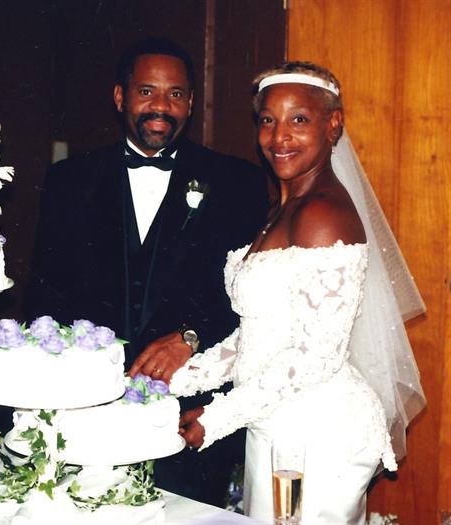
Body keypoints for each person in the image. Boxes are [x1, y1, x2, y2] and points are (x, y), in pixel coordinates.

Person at [169, 62, 426, 523]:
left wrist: (217, 416)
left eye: (298, 119)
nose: (278, 136)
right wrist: (180, 379)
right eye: (268, 119)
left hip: (315, 436)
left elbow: (315, 355)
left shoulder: (324, 214)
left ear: (333, 124)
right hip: (274, 421)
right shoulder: (283, 207)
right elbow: (258, 334)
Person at [25, 37, 270, 506]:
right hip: (87, 413)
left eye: (176, 94)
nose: (161, 106)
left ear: (192, 102)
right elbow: (44, 299)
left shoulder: (237, 182)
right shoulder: (69, 181)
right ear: (121, 97)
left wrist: (191, 335)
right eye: (147, 92)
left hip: (187, 418)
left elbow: (251, 298)